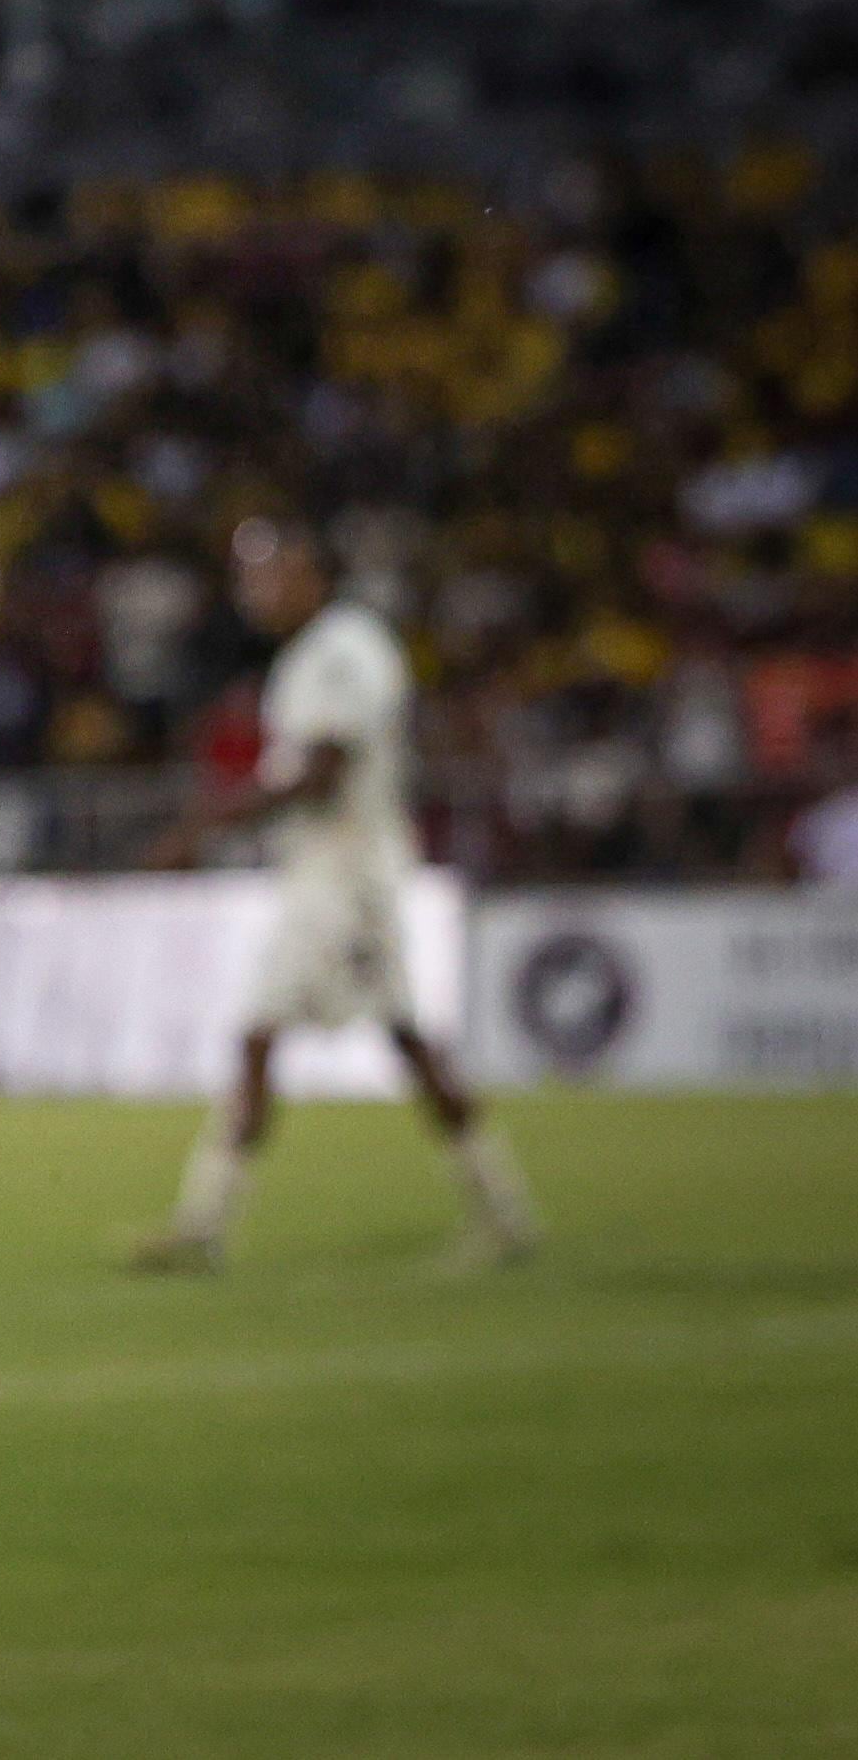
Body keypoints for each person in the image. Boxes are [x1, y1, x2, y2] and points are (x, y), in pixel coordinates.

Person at [134, 518, 540, 1273]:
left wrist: (205, 824)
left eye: (267, 575)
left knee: (259, 1032)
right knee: (407, 1040)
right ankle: (504, 1213)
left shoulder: (344, 649)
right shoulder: (314, 654)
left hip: (344, 873)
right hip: (339, 869)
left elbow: (320, 769)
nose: (253, 592)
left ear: (309, 573)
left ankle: (203, 1224)